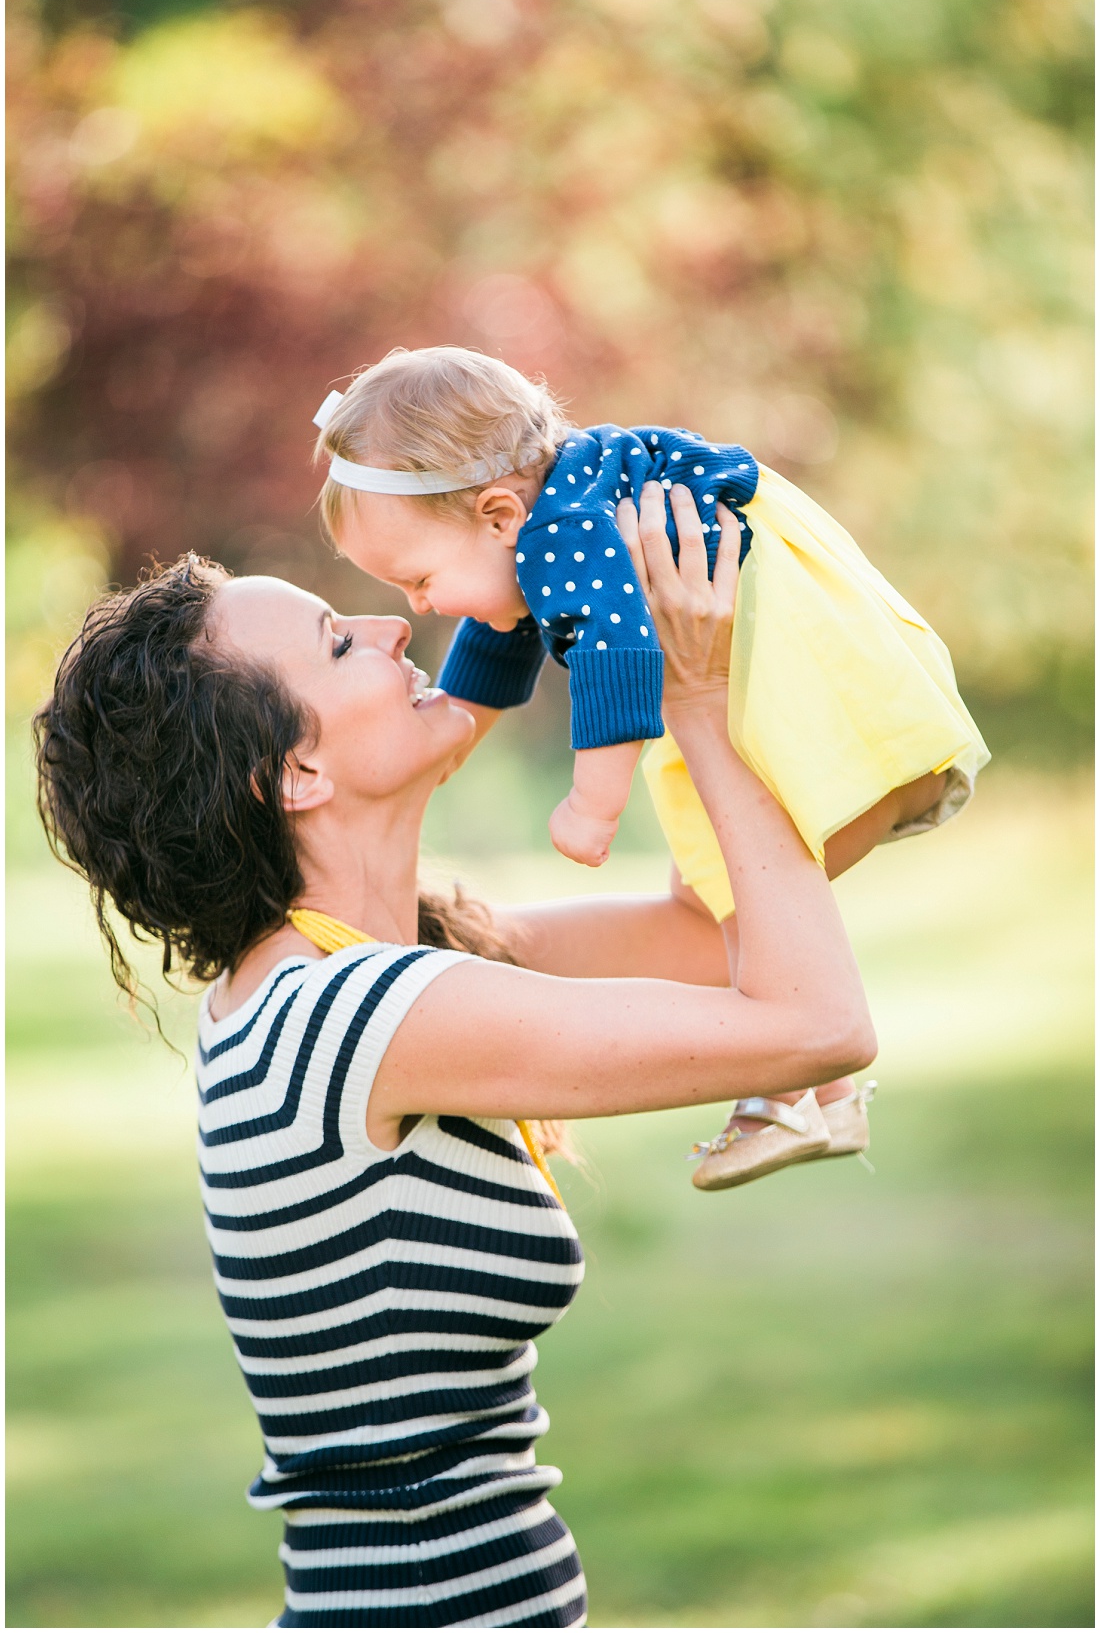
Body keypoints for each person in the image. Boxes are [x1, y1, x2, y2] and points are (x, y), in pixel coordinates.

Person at [35, 486, 874, 1627]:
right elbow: (816, 1024)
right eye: (339, 640)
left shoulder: (347, 975)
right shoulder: (354, 1016)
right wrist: (702, 692)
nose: (389, 625)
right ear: (297, 776)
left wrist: (555, 550)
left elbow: (705, 933)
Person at [312, 345, 988, 903]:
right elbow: (499, 638)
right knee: (722, 904)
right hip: (797, 650)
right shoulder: (559, 513)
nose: (418, 606)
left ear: (500, 517)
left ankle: (812, 1056)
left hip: (795, 677)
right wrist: (450, 741)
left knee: (732, 901)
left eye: (419, 580)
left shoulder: (561, 531)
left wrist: (591, 805)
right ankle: (813, 1060)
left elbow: (614, 654)